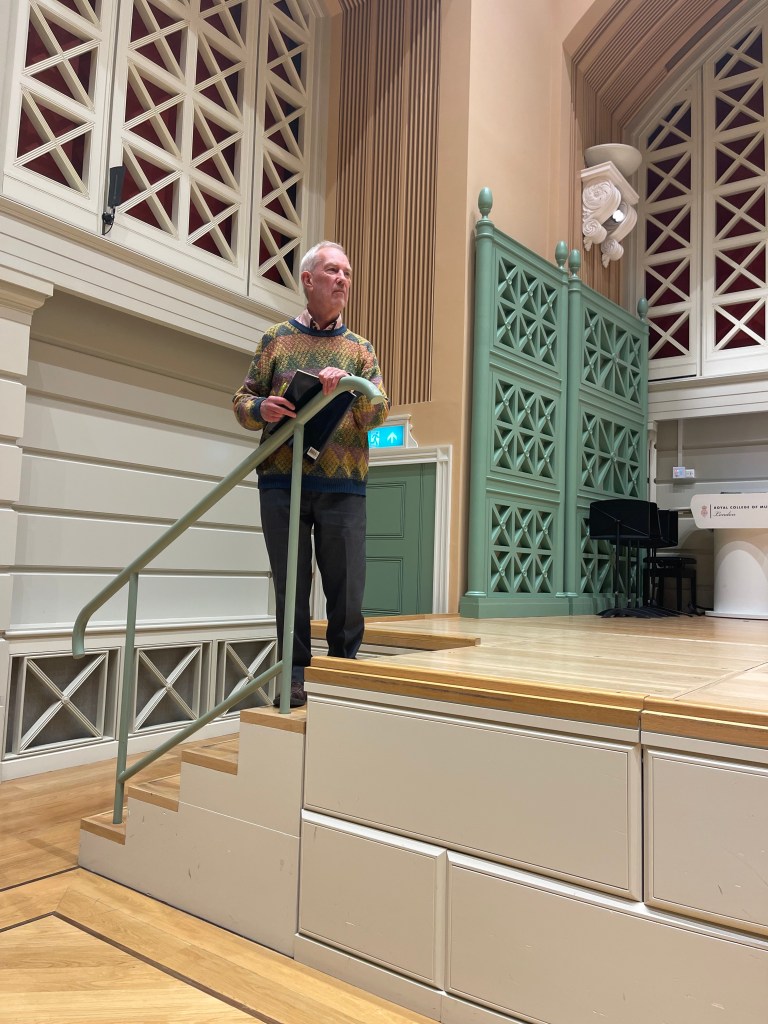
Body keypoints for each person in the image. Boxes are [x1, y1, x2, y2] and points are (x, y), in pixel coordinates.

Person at [232, 241, 389, 707]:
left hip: (344, 485)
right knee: (291, 586)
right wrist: (262, 408)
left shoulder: (361, 350)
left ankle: (343, 676)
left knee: (347, 588)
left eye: (347, 272)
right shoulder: (275, 340)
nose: (342, 279)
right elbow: (241, 401)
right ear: (308, 279)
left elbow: (379, 411)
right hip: (282, 483)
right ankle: (293, 678)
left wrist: (352, 388)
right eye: (332, 270)